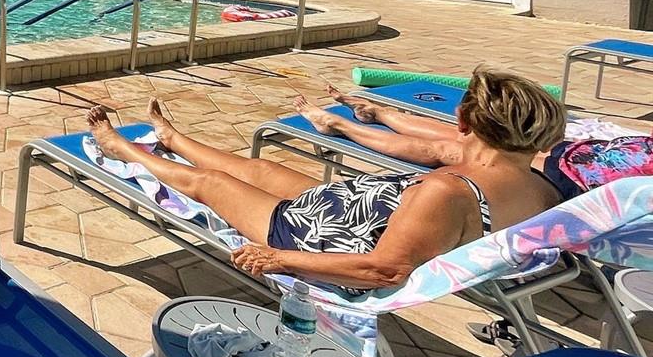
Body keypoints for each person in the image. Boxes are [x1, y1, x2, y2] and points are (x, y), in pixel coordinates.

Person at [84, 67, 568, 291]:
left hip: (327, 239)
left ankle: (122, 148)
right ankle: (173, 138)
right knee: (262, 170)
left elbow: (384, 271)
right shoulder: (540, 185)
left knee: (212, 185)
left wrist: (278, 257)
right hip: (367, 212)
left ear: (463, 123)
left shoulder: (449, 191)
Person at [296, 84, 652, 198]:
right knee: (468, 134)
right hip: (581, 155)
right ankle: (378, 113)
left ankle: (339, 125)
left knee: (449, 150)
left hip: (572, 179)